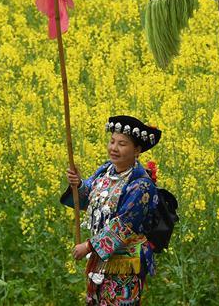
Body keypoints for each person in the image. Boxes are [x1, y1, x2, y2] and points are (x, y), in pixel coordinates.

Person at [62, 115, 162, 305]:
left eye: (122, 144)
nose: (114, 148)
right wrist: (78, 184)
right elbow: (87, 198)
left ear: (137, 150)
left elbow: (123, 226)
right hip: (100, 262)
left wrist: (88, 247)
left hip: (125, 266)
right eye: (112, 141)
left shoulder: (141, 185)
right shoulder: (105, 170)